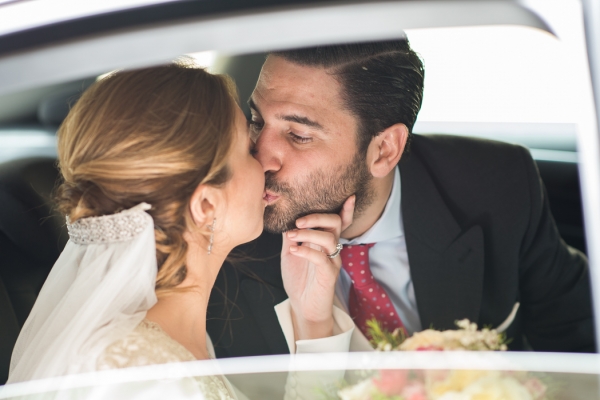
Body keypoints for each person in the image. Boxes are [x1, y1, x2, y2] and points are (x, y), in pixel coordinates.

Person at [206, 40, 595, 356]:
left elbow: (580, 336)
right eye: (257, 121)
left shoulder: (497, 185)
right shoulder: (224, 242)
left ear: (384, 151)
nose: (261, 157)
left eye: (299, 135)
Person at [7, 63, 349, 398]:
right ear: (205, 206)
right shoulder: (139, 377)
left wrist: (312, 323)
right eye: (248, 148)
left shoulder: (163, 348)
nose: (265, 163)